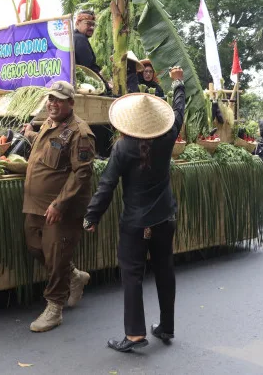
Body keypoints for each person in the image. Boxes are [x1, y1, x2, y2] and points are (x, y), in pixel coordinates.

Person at [84, 66, 186, 353]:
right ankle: (166, 326)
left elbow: (107, 184)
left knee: (132, 275)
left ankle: (135, 335)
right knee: (165, 271)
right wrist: (178, 83)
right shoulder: (167, 139)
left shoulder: (123, 148)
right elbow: (178, 111)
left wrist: (92, 216)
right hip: (165, 219)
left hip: (136, 224)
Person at [22, 80, 96, 332]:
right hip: (35, 205)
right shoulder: (48, 124)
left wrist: (60, 204)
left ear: (71, 103)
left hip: (60, 209)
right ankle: (74, 276)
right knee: (34, 247)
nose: (53, 104)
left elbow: (81, 173)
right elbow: (47, 147)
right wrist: (30, 134)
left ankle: (54, 307)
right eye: (50, 99)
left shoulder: (80, 133)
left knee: (56, 255)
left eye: (59, 100)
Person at [73, 10, 109, 92]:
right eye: (88, 24)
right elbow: (88, 69)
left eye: (93, 25)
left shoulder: (73, 38)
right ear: (77, 23)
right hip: (83, 86)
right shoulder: (80, 39)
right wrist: (106, 86)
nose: (92, 28)